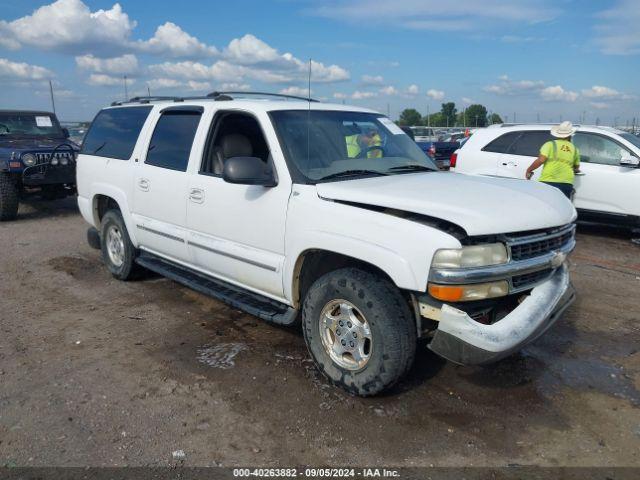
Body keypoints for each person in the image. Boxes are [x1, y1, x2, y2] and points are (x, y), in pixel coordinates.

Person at [525, 121, 580, 199]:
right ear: (570, 135)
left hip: (549, 180)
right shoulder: (575, 149)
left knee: (546, 204)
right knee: (562, 206)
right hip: (566, 183)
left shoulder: (550, 144)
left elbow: (541, 160)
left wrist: (529, 170)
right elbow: (576, 168)